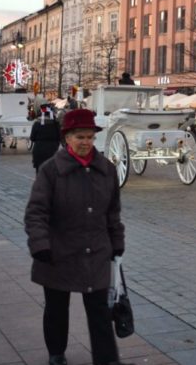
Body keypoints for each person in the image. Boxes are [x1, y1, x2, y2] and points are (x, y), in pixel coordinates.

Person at [24, 109, 132, 365]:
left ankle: (107, 360)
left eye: (90, 137)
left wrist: (117, 242)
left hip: (95, 252)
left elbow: (113, 212)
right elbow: (36, 212)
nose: (85, 142)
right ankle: (56, 354)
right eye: (80, 137)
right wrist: (40, 244)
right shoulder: (50, 171)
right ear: (67, 139)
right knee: (56, 309)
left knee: (100, 312)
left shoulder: (106, 169)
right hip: (57, 252)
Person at [30, 105, 62, 173]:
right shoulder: (55, 124)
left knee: (39, 172)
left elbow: (32, 138)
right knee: (52, 172)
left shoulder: (37, 123)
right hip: (53, 150)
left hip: (39, 150)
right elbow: (60, 137)